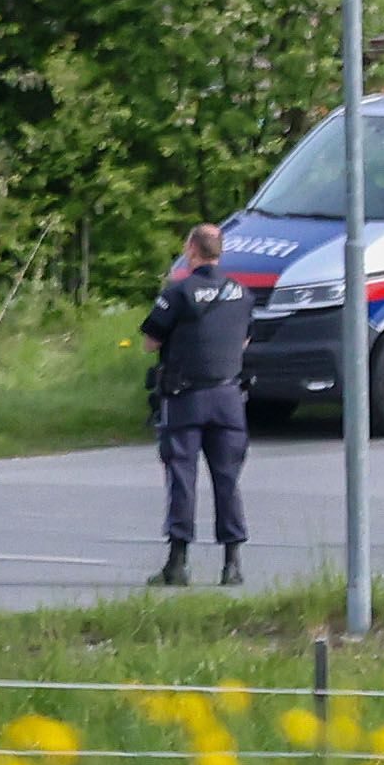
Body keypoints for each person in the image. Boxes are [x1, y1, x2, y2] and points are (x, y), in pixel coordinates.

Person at [142, 223, 253, 588]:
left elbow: (150, 342)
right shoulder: (242, 294)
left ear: (192, 249)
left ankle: (177, 564)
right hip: (228, 399)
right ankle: (232, 565)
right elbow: (243, 341)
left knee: (182, 479)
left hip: (186, 399)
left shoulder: (178, 294)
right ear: (219, 251)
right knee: (227, 480)